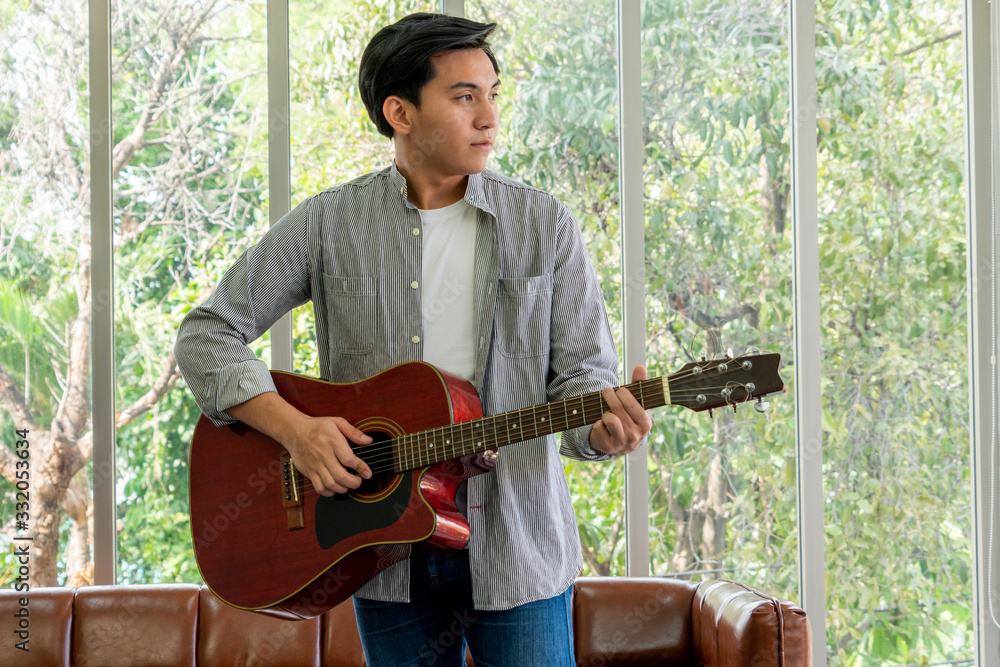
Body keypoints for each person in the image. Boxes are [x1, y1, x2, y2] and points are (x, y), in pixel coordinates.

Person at [174, 12, 651, 667]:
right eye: (464, 97)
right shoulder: (328, 223)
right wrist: (295, 430)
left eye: (492, 94)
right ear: (399, 111)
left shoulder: (546, 226)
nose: (488, 117)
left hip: (517, 544)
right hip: (380, 553)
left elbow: (582, 382)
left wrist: (603, 431)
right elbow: (207, 335)